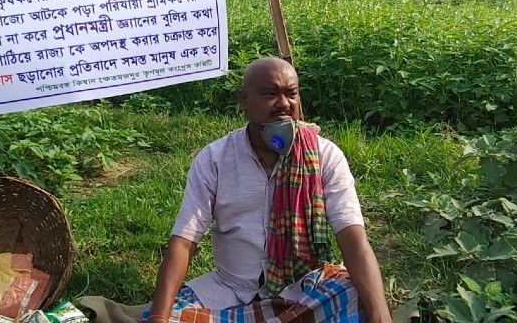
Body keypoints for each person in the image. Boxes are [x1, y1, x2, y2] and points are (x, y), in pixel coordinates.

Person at [144, 57, 392, 323]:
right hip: (230, 290)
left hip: (301, 289)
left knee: (356, 292)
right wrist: (159, 317)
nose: (284, 104)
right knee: (168, 315)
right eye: (270, 94)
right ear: (244, 100)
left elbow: (352, 237)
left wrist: (382, 318)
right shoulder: (215, 159)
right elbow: (184, 241)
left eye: (291, 94)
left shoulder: (324, 155)